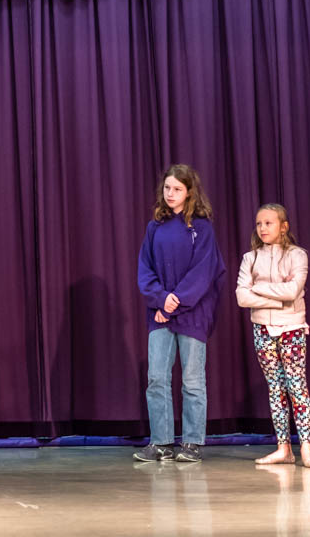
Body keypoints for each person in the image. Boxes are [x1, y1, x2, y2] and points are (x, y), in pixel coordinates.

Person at [134, 164, 225, 463]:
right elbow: (145, 269)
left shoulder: (202, 228)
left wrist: (176, 302)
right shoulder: (155, 227)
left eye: (177, 189)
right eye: (167, 188)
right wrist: (161, 300)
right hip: (160, 314)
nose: (170, 193)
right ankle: (161, 442)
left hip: (192, 313)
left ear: (189, 192)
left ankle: (192, 442)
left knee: (192, 380)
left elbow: (204, 272)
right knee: (157, 378)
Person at [236, 204, 310, 468]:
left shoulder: (297, 255)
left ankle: (306, 448)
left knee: (296, 386)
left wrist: (259, 289)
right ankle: (283, 448)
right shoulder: (250, 258)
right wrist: (277, 299)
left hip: (291, 328)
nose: (262, 228)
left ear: (284, 226)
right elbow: (241, 296)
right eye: (259, 223)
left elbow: (293, 291)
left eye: (268, 223)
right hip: (262, 328)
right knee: (275, 388)